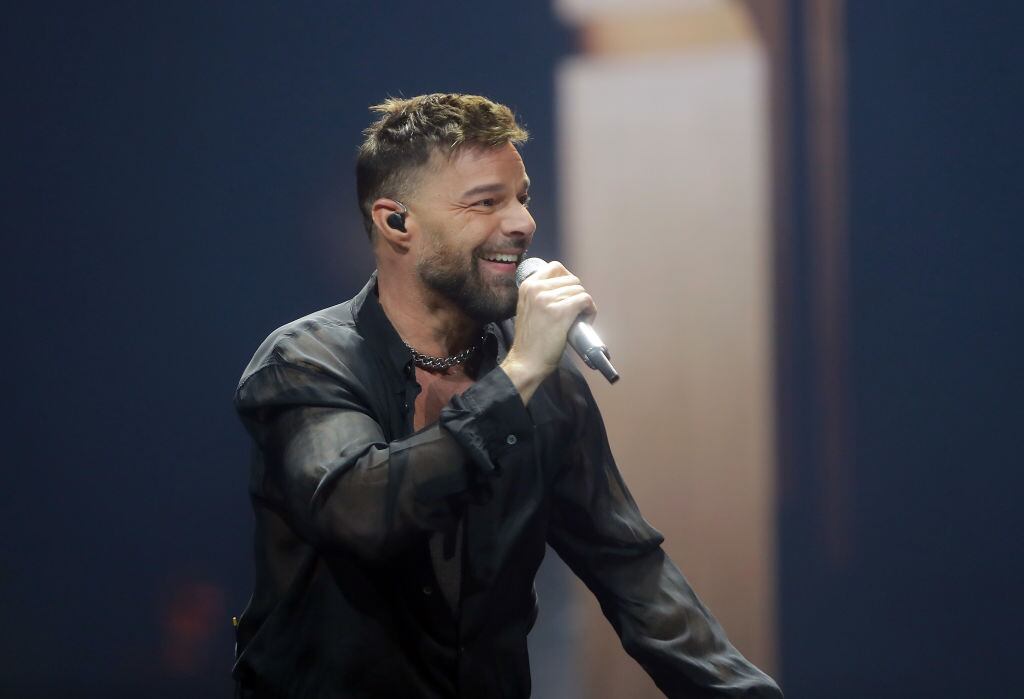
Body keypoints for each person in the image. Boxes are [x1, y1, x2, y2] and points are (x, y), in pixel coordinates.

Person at [232, 93, 782, 698]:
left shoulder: (548, 386)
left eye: (521, 197)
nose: (522, 223)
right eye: (486, 202)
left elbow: (633, 574)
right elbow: (362, 512)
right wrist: (517, 373)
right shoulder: (306, 360)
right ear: (397, 222)